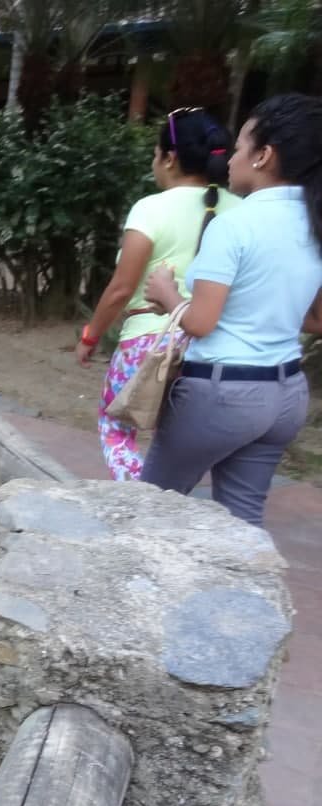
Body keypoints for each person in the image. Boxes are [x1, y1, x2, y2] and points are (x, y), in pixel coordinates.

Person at [140, 93, 322, 527]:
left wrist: (166, 293)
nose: (231, 159)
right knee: (241, 524)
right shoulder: (314, 222)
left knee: (145, 510)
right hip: (286, 394)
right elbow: (316, 321)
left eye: (240, 147)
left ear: (264, 156)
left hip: (222, 393)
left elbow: (201, 322)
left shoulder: (233, 224)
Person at [76, 108, 240, 481]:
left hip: (148, 345)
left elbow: (121, 289)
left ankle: (143, 497)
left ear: (169, 157)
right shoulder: (242, 211)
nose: (155, 161)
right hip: (214, 350)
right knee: (177, 437)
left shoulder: (149, 210)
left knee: (115, 426)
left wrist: (91, 336)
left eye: (155, 152)